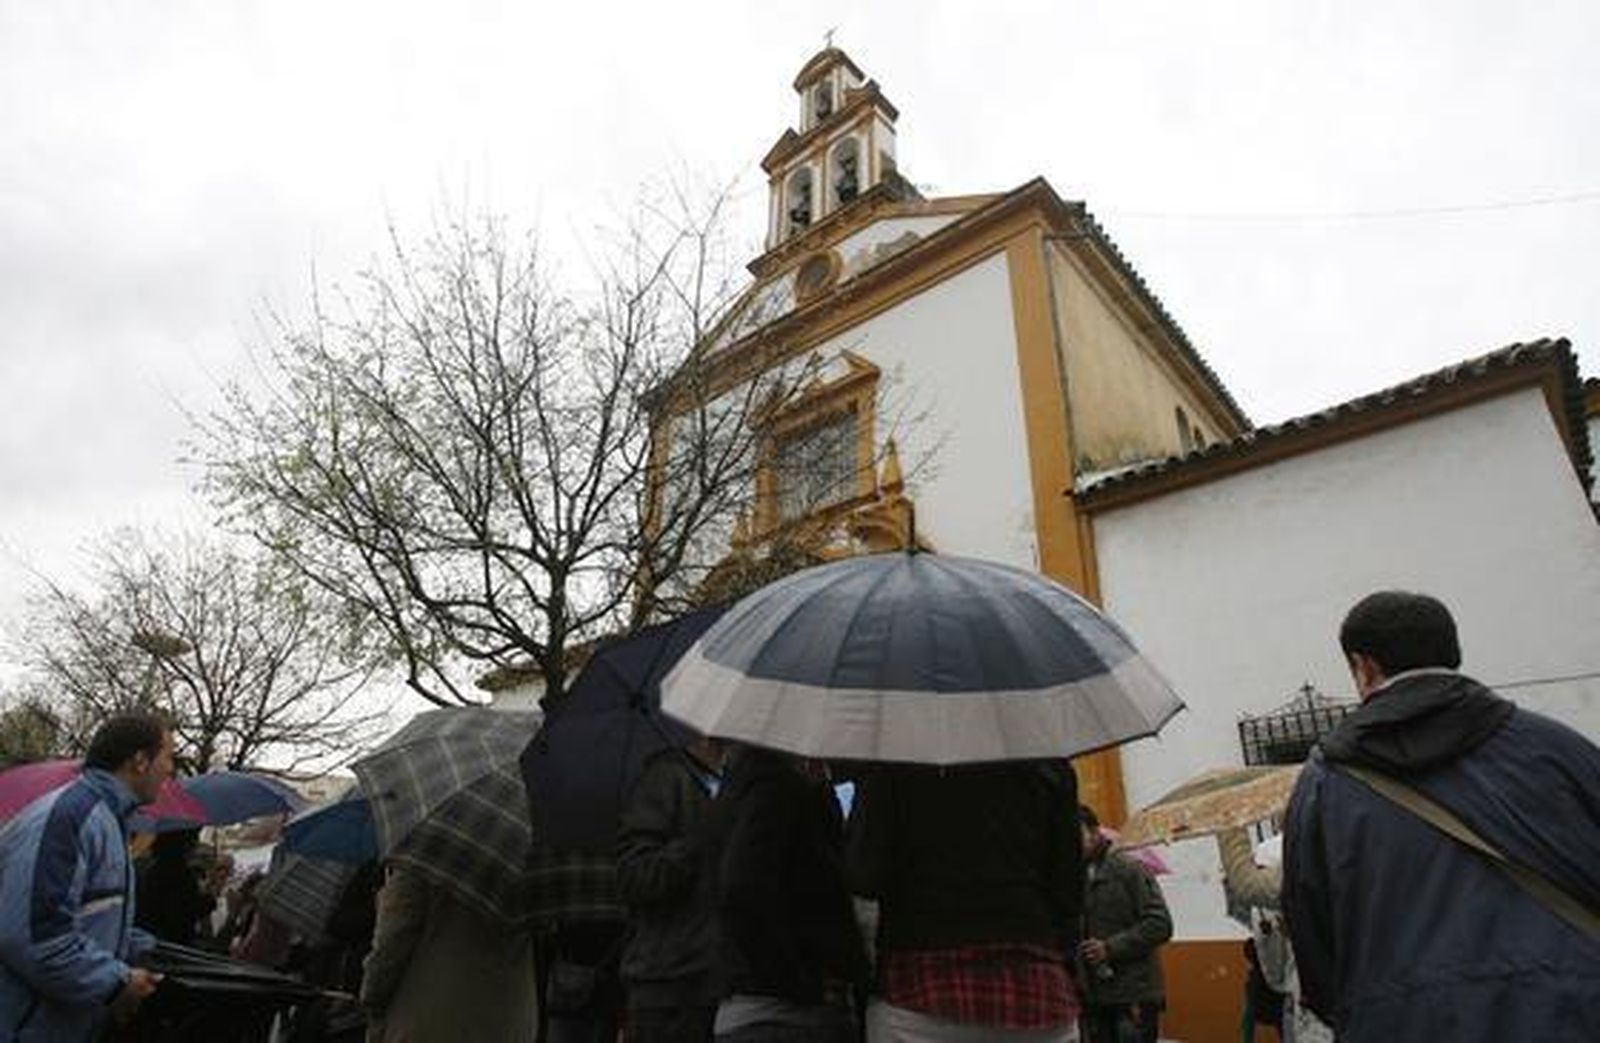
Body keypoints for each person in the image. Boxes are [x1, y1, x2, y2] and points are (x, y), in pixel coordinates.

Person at [1282, 590, 1600, 1041]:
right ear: (1453, 653)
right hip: (1570, 1008)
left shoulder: (1324, 786)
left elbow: (1313, 941)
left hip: (1400, 1021)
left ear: (1363, 666)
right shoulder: (1559, 750)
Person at [847, 761, 1084, 1043]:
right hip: (1037, 994)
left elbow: (863, 877)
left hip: (919, 989)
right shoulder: (1048, 766)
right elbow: (1069, 894)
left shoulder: (895, 764)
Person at [0, 712, 174, 1041]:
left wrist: (142, 948)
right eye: (168, 756)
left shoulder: (108, 821)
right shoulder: (73, 817)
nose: (171, 769)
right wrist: (117, 983)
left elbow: (88, 915)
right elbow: (37, 938)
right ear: (140, 760)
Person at [712, 745, 868, 1042]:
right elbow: (743, 888)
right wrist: (799, 982)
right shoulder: (774, 786)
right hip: (788, 1013)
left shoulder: (737, 790)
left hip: (752, 1003)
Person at [616, 740, 725, 1043]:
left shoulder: (742, 783)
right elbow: (636, 876)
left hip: (725, 985)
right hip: (671, 986)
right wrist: (701, 837)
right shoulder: (666, 778)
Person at [359, 863, 538, 1043]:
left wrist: (371, 996)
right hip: (509, 1020)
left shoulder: (427, 855)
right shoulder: (528, 862)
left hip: (432, 1019)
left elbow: (392, 943)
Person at [1212, 829, 1329, 1043]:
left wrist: (1227, 822)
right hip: (1297, 995)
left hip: (1316, 1001)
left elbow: (1248, 885)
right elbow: (1252, 917)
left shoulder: (1297, 853)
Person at [1077, 805, 1171, 1043]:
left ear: (1095, 831)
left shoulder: (1128, 868)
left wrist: (1109, 948)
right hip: (1095, 997)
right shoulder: (1074, 877)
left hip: (1133, 995)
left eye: (1077, 835)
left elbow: (1160, 924)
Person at [135, 829, 214, 947]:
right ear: (185, 843)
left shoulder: (149, 866)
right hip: (171, 945)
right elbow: (183, 911)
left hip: (150, 940)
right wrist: (210, 900)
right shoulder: (180, 872)